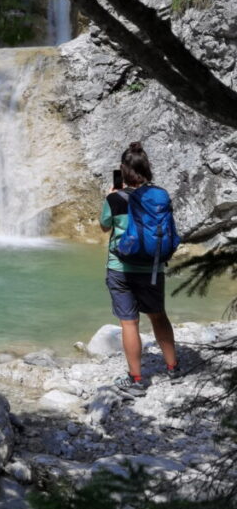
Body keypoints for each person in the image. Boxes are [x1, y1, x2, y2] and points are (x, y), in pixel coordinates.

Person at [99, 141, 181, 398]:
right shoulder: (159, 196)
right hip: (153, 267)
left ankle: (136, 380)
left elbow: (104, 226)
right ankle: (173, 368)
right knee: (158, 315)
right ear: (146, 169)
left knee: (129, 323)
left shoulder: (115, 199)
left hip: (120, 267)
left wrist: (110, 197)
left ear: (123, 171)